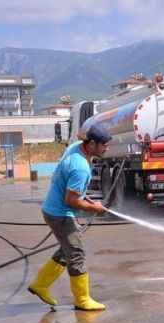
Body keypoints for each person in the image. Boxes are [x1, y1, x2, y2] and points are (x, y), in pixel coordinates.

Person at [28, 125, 110, 311]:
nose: (107, 148)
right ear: (91, 144)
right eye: (104, 144)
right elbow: (71, 200)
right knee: (76, 253)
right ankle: (82, 299)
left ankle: (40, 285)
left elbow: (73, 192)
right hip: (60, 214)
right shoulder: (80, 167)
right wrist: (95, 209)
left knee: (67, 249)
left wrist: (86, 198)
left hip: (54, 209)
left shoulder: (75, 148)